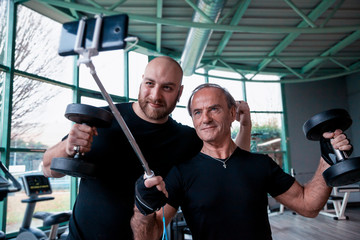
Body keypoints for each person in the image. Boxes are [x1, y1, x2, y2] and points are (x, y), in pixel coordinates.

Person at [42, 57, 252, 239]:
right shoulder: (103, 119)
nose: (155, 95)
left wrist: (245, 125)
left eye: (167, 88)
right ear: (142, 81)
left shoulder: (186, 139)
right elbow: (48, 169)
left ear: (179, 93)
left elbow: (233, 163)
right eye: (150, 84)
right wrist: (67, 146)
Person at [131, 83, 353, 240]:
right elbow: (149, 235)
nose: (205, 118)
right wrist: (142, 208)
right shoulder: (181, 173)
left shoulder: (260, 164)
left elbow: (309, 205)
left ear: (232, 113)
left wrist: (327, 158)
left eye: (214, 109)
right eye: (197, 113)